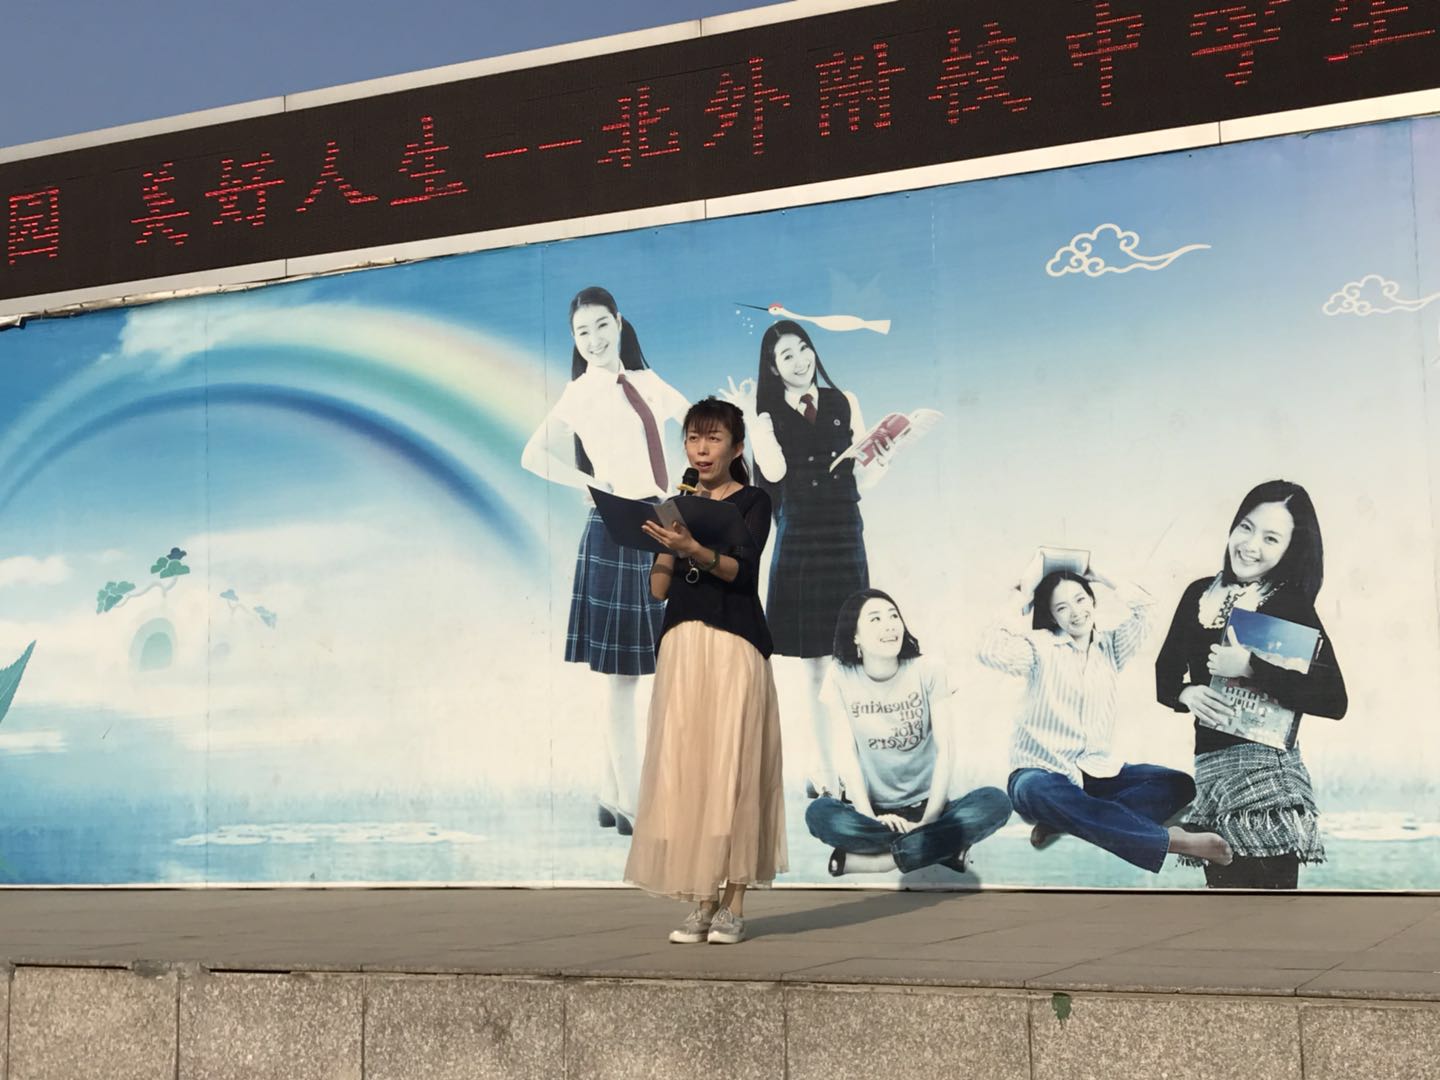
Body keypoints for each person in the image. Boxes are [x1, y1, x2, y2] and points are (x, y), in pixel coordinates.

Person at [520, 286, 689, 836]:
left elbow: (696, 423)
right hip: (616, 528)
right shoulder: (580, 393)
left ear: (619, 322)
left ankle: (612, 794)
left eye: (600, 326)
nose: (593, 340)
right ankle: (634, 801)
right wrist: (591, 485)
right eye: (581, 332)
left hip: (660, 524)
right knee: (621, 678)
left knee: (641, 673)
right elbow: (532, 454)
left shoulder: (647, 381)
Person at [624, 398, 787, 945]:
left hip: (734, 643)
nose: (701, 448)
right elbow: (659, 590)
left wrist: (694, 546)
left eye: (714, 438)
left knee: (733, 768)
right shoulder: (678, 503)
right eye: (694, 438)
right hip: (683, 646)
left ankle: (733, 904)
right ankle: (700, 900)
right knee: (687, 769)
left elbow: (743, 572)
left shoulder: (754, 500)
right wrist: (665, 546)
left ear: (736, 448)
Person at [1155, 480, 1347, 889]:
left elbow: (1334, 699)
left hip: (1268, 783)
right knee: (1226, 912)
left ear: (1290, 549)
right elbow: (1165, 673)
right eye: (1246, 527)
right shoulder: (1200, 594)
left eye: (1271, 538)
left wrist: (1251, 666)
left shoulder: (1289, 603)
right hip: (1213, 778)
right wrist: (1186, 693)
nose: (1251, 545)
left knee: (1268, 913)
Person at [979, 566, 1233, 874]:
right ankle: (1170, 841)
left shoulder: (1110, 647)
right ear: (1052, 616)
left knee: (1179, 784)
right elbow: (989, 649)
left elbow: (1147, 612)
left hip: (1096, 773)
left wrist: (1101, 575)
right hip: (1040, 773)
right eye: (1062, 607)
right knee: (1037, 791)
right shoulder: (1039, 648)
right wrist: (1023, 593)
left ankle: (1065, 821)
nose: (1076, 612)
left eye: (1080, 599)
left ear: (1092, 600)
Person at [720, 321, 878, 799]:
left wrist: (884, 456)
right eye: (786, 355)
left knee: (849, 660)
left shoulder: (844, 400)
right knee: (813, 663)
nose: (800, 360)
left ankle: (852, 769)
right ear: (773, 368)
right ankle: (823, 769)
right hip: (802, 536)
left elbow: (864, 479)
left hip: (844, 533)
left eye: (803, 348)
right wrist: (752, 419)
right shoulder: (766, 416)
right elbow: (773, 472)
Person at [806, 589, 1011, 877]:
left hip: (929, 806)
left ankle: (879, 861)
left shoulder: (928, 669)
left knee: (995, 802)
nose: (889, 625)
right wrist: (869, 817)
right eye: (875, 619)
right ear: (855, 636)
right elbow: (846, 753)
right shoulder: (840, 675)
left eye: (894, 616)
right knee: (819, 815)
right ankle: (941, 849)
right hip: (872, 812)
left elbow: (945, 750)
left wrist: (928, 820)